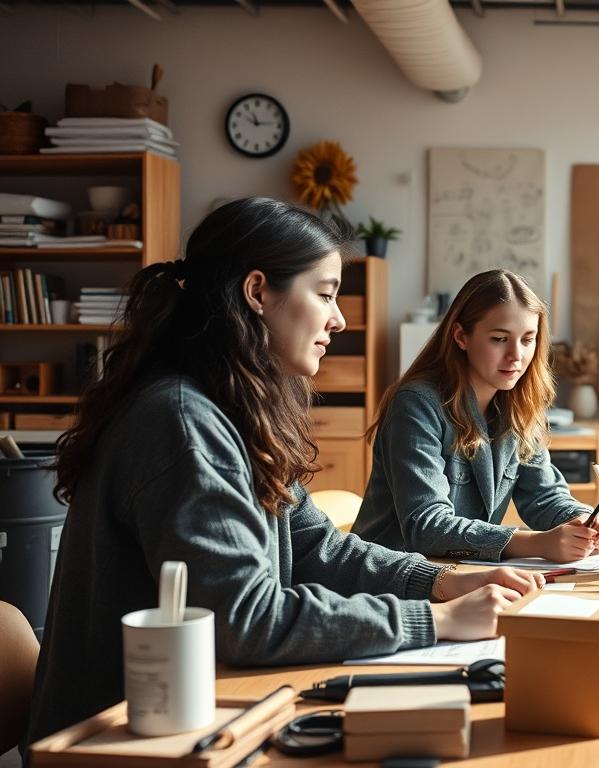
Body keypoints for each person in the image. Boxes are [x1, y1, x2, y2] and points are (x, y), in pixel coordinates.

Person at [27, 199, 542, 745]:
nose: (339, 318)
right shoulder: (182, 421)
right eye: (324, 294)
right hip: (117, 746)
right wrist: (434, 621)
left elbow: (322, 549)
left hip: (190, 720)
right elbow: (245, 619)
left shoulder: (231, 410)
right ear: (257, 293)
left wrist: (441, 582)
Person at [352, 269, 599, 563]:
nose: (516, 355)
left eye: (528, 340)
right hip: (393, 578)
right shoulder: (415, 405)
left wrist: (582, 521)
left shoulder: (521, 404)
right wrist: (538, 544)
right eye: (500, 339)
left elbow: (544, 496)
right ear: (461, 336)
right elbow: (426, 527)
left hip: (463, 573)